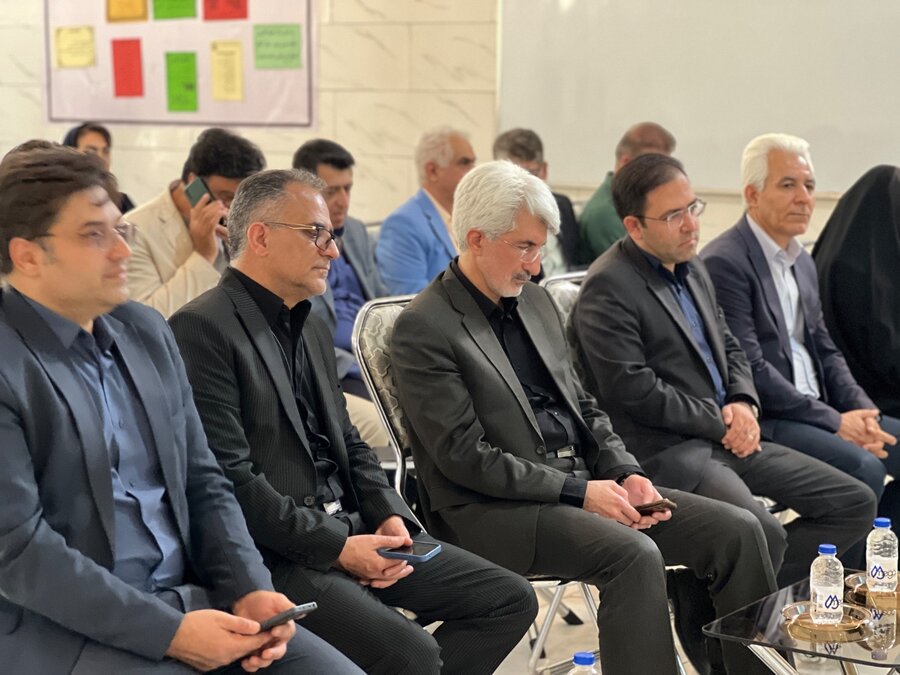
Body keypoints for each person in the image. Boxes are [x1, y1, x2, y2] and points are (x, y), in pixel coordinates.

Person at [391, 160, 779, 675]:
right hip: (492, 512)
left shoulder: (536, 303)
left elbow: (585, 406)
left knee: (739, 531)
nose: (535, 266)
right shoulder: (425, 326)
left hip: (580, 486)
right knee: (634, 554)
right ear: (476, 238)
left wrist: (625, 471)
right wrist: (579, 492)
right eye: (524, 247)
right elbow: (465, 457)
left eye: (540, 248)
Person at [0, 144, 361, 673]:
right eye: (94, 235)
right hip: (73, 628)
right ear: (28, 255)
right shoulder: (10, 361)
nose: (121, 251)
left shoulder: (144, 331)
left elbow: (203, 478)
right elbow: (19, 550)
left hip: (196, 598)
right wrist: (169, 633)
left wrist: (250, 588)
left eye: (121, 230)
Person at [168, 168, 537, 675]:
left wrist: (388, 514)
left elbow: (350, 441)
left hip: (354, 527)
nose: (334, 251)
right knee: (412, 653)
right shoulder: (201, 328)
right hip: (280, 553)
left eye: (332, 235)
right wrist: (339, 548)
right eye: (316, 234)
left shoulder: (312, 323)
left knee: (508, 599)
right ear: (260, 237)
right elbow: (231, 481)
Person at [569, 153, 875, 588]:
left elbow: (730, 345)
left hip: (728, 435)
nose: (691, 225)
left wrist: (743, 401)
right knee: (760, 532)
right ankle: (737, 607)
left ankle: (715, 595)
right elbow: (634, 390)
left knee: (853, 501)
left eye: (692, 208)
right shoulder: (609, 285)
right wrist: (720, 421)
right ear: (634, 226)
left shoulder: (692, 265)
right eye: (673, 216)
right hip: (670, 449)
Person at [701, 134, 900, 550]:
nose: (804, 198)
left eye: (809, 186)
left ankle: (872, 568)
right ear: (752, 195)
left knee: (888, 444)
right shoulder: (726, 262)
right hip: (771, 416)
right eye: (788, 185)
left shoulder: (801, 260)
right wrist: (836, 422)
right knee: (863, 468)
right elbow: (753, 368)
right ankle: (810, 578)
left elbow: (826, 349)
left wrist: (862, 409)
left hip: (816, 409)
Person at [292, 139, 389, 448]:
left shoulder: (356, 232)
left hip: (376, 357)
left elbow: (380, 300)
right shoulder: (292, 242)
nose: (343, 201)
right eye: (331, 191)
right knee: (388, 422)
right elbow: (298, 336)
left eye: (347, 188)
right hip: (335, 368)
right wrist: (362, 367)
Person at [126, 127, 265, 317]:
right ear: (194, 184)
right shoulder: (135, 230)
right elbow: (148, 318)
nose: (233, 209)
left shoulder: (242, 218)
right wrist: (203, 255)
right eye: (226, 197)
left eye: (241, 199)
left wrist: (243, 252)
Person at [813, 164, 900, 419]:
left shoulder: (834, 255)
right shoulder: (867, 276)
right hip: (871, 399)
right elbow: (886, 355)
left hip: (847, 391)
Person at [376, 126, 475, 294]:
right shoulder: (402, 225)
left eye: (473, 162)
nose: (473, 171)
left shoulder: (471, 218)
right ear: (432, 171)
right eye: (464, 163)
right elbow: (410, 300)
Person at [579, 122, 676, 261]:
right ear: (626, 163)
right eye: (653, 167)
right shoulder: (605, 213)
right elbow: (636, 267)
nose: (661, 176)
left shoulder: (634, 202)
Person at [492, 127, 581, 273]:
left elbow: (577, 260)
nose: (524, 184)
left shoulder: (562, 205)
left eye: (531, 173)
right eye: (513, 176)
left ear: (544, 170)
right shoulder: (493, 219)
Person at [62, 121, 135, 213]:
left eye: (105, 151)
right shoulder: (58, 204)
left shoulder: (122, 203)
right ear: (70, 154)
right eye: (91, 151)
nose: (101, 158)